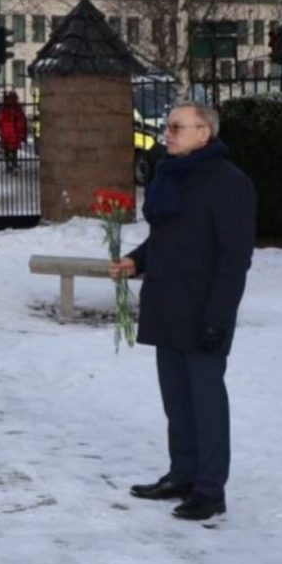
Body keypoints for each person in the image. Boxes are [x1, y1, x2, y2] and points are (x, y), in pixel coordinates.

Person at [111, 102, 255, 522]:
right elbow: (165, 236)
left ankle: (210, 490)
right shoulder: (170, 177)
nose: (167, 133)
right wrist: (137, 260)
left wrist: (219, 318)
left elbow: (235, 259)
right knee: (176, 400)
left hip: (204, 310)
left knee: (206, 404)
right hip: (166, 303)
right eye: (168, 126)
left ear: (203, 133)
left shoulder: (230, 184)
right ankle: (183, 474)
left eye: (176, 127)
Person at [0, 90, 28, 173]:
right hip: (11, 131)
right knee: (12, 149)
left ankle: (10, 165)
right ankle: (12, 164)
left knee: (9, 149)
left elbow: (0, 119)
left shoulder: (5, 108)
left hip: (8, 131)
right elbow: (21, 120)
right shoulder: (14, 108)